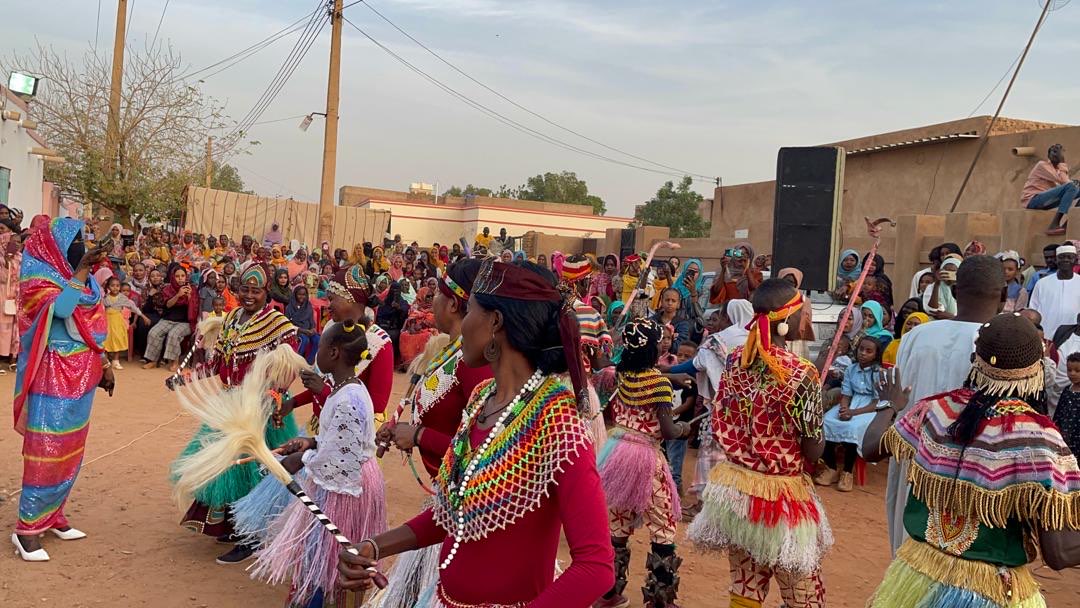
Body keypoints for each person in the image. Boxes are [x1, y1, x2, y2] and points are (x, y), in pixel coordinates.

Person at [337, 259, 615, 606]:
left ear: (495, 322)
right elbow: (455, 513)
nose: (462, 323)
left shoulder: (557, 423)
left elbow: (596, 566)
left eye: (470, 311)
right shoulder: (482, 399)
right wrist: (376, 545)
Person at [864, 313, 1080, 606]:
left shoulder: (935, 410)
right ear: (1037, 371)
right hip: (990, 590)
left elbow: (871, 448)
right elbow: (1060, 553)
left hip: (916, 573)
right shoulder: (1038, 439)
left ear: (974, 359)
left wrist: (891, 405)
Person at [688, 279, 829, 607]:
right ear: (785, 322)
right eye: (803, 313)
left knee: (746, 589)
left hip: (736, 493)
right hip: (781, 499)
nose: (806, 320)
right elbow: (813, 449)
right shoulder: (802, 373)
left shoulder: (737, 360)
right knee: (803, 594)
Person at [371, 259, 494, 608]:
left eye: (436, 296)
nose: (431, 304)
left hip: (464, 513)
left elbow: (482, 452)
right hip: (444, 503)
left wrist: (420, 435)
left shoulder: (474, 366)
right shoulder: (451, 354)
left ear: (455, 304)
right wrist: (401, 429)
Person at [243, 320, 388, 607]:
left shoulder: (349, 398)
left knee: (332, 555)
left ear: (333, 353)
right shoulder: (347, 389)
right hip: (346, 479)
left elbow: (340, 461)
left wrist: (301, 459)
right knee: (324, 552)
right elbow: (342, 439)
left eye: (320, 347)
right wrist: (313, 442)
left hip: (346, 487)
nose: (315, 355)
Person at [173, 262, 299, 564]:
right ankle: (232, 525)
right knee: (223, 466)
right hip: (231, 404)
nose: (250, 295)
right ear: (236, 289)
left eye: (256, 291)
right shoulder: (231, 319)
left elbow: (288, 368)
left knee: (250, 472)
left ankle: (251, 536)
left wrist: (273, 397)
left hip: (259, 410)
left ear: (267, 292)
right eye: (245, 289)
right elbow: (218, 364)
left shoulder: (277, 323)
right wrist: (187, 378)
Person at [883, 254, 1005, 556]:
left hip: (916, 459)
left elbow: (899, 399)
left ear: (956, 290)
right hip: (972, 472)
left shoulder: (918, 336)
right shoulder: (1005, 343)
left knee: (906, 553)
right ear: (1003, 295)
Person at [12, 218, 116, 562]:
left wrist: (102, 365)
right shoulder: (38, 279)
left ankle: (53, 514)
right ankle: (26, 529)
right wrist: (83, 270)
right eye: (74, 243)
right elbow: (63, 309)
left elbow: (95, 322)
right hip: (53, 374)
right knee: (47, 446)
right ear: (55, 246)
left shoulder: (82, 278)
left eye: (82, 243)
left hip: (82, 374)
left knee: (71, 447)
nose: (80, 249)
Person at [595, 319, 691, 608]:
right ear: (651, 348)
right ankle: (660, 600)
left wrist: (670, 376)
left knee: (618, 525)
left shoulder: (619, 375)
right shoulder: (659, 385)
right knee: (663, 526)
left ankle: (609, 593)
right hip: (646, 458)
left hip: (617, 452)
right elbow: (669, 431)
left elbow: (638, 374)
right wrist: (684, 429)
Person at [816, 336, 884, 492]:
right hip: (851, 403)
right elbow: (846, 395)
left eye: (869, 351)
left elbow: (876, 403)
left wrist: (853, 412)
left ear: (876, 354)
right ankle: (832, 468)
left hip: (869, 408)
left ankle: (847, 472)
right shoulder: (851, 369)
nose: (863, 354)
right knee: (826, 422)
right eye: (861, 349)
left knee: (854, 427)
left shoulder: (879, 373)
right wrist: (844, 409)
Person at [561, 255, 614, 448]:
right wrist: (615, 363)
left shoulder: (549, 306)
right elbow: (598, 363)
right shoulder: (588, 314)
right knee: (588, 447)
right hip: (579, 387)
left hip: (548, 387)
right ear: (583, 281)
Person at [142, 265, 194, 372]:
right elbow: (167, 305)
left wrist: (189, 297)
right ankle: (153, 360)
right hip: (168, 319)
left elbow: (194, 309)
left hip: (185, 322)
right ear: (173, 277)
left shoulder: (192, 289)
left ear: (186, 277)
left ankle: (175, 362)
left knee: (173, 334)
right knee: (154, 332)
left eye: (182, 276)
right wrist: (178, 295)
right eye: (177, 276)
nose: (180, 278)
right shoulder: (167, 289)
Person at [1022, 143, 1079, 235]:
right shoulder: (1042, 165)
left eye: (1057, 151)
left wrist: (1074, 184)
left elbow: (1066, 183)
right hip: (1033, 200)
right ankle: (1054, 224)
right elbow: (1065, 182)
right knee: (1071, 186)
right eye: (1053, 151)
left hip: (1045, 201)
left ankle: (1067, 224)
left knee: (1074, 187)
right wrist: (1062, 162)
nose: (1055, 154)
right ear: (1048, 155)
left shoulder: (1058, 170)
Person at [1030, 244, 1080, 339]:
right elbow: (1033, 310)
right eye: (1062, 257)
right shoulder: (1042, 284)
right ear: (1056, 260)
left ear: (1076, 261)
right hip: (1046, 335)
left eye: (1070, 257)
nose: (1066, 260)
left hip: (1074, 339)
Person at [101, 276, 149, 370]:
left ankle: (116, 360)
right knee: (106, 340)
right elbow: (100, 308)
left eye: (117, 286)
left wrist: (144, 317)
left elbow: (133, 307)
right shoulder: (105, 298)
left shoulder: (122, 298)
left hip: (118, 321)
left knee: (117, 339)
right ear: (108, 287)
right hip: (107, 321)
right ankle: (106, 361)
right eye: (112, 285)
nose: (115, 288)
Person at [398, 285, 438, 367]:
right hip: (416, 328)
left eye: (432, 296)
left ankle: (423, 364)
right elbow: (412, 319)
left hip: (430, 329)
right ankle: (409, 364)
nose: (430, 298)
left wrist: (422, 325)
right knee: (404, 335)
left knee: (427, 336)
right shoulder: (416, 306)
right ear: (421, 297)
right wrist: (413, 326)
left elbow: (434, 321)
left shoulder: (435, 307)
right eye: (428, 296)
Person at [0, 222, 21, 368]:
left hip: (16, 295)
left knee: (15, 327)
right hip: (2, 292)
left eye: (19, 242)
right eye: (14, 242)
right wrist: (6, 263)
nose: (16, 245)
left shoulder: (20, 257)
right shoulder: (1, 257)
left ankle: (12, 357)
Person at [376, 282, 410, 365]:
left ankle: (390, 362)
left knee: (393, 336)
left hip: (395, 328)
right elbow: (379, 315)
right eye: (393, 289)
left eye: (397, 290)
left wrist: (399, 309)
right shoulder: (385, 302)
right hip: (383, 326)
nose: (395, 292)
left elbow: (404, 316)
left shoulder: (403, 302)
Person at [1054, 352, 1080, 456]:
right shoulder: (1067, 390)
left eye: (1078, 371)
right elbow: (1058, 413)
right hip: (1065, 439)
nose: (1072, 373)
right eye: (1069, 370)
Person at [286, 285, 319, 364]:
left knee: (317, 339)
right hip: (297, 331)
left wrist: (313, 329)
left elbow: (311, 321)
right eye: (299, 294)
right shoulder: (289, 307)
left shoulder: (308, 306)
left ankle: (309, 362)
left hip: (308, 330)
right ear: (295, 295)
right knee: (304, 340)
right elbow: (287, 324)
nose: (302, 297)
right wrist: (302, 330)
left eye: (304, 294)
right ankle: (296, 362)